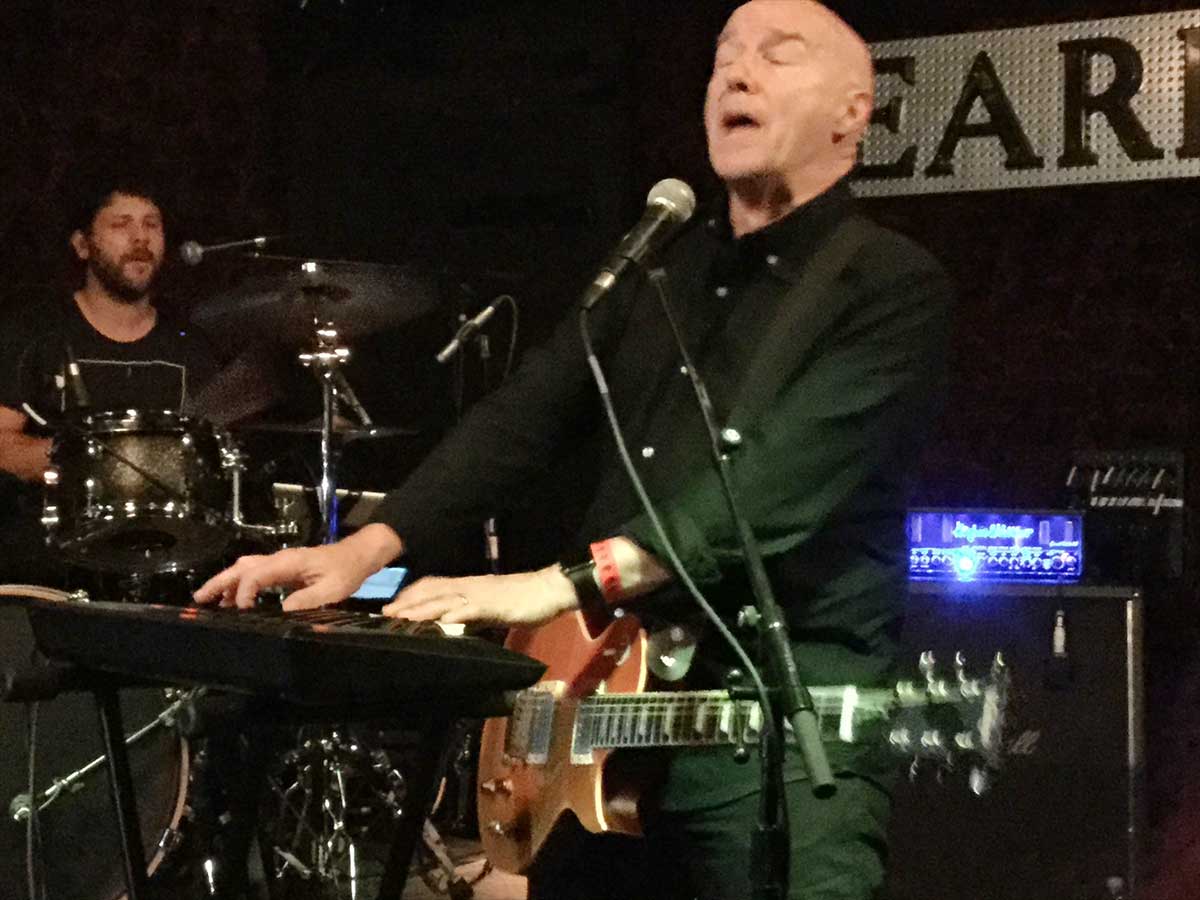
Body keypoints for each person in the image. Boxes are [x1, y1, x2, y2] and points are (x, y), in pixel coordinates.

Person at [196, 2, 954, 897]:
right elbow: (523, 417)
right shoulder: (660, 268)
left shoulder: (889, 286)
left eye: (776, 56)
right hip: (604, 718)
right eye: (724, 57)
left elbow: (766, 491)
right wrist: (363, 549)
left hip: (778, 747)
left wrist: (560, 583)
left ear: (853, 113)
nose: (736, 73)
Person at [0, 174, 219, 582]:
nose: (141, 238)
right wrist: (97, 464)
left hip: (168, 561)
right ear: (82, 245)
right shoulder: (33, 335)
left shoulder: (191, 348)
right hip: (50, 559)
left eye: (152, 225)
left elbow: (215, 457)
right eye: (121, 224)